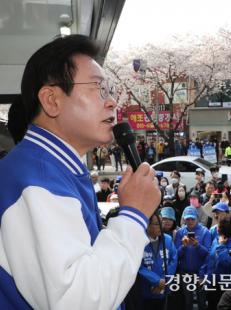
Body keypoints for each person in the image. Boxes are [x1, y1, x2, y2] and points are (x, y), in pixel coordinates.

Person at [2, 35, 161, 309]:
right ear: (52, 100)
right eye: (98, 89)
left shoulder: (49, 168)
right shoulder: (36, 181)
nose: (112, 101)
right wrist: (133, 216)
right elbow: (77, 300)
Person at [175, 207, 211, 310]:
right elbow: (176, 255)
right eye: (187, 219)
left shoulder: (205, 232)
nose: (190, 221)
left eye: (192, 219)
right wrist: (183, 246)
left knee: (202, 301)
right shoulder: (180, 232)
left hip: (200, 272)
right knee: (187, 302)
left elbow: (208, 254)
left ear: (197, 218)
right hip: (185, 272)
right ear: (184, 219)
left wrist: (197, 245)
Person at [138, 214, 178, 309]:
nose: (161, 226)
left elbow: (173, 260)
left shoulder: (167, 239)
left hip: (164, 289)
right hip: (145, 291)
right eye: (156, 224)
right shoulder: (139, 241)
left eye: (161, 222)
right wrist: (156, 281)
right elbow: (137, 266)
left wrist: (164, 280)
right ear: (147, 225)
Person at [203, 215, 231, 310]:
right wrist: (203, 274)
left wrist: (221, 246)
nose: (216, 227)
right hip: (212, 282)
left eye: (218, 225)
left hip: (226, 286)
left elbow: (226, 261)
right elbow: (209, 258)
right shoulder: (217, 239)